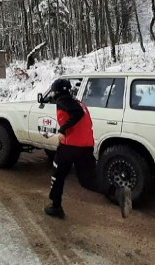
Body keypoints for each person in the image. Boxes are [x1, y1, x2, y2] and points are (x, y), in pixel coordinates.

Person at [44, 78, 132, 219]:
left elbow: (76, 113)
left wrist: (63, 130)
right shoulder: (79, 103)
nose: (53, 94)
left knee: (58, 175)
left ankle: (55, 206)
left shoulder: (63, 101)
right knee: (89, 180)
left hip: (69, 147)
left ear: (58, 92)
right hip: (85, 147)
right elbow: (81, 117)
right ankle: (118, 191)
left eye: (53, 91)